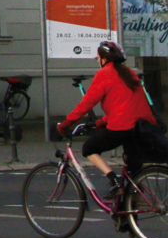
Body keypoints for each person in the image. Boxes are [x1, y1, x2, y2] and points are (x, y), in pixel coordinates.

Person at [57, 40, 156, 198]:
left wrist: (66, 124)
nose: (97, 62)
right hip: (142, 127)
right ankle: (130, 211)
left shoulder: (104, 74)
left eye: (97, 59)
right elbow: (126, 106)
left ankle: (114, 180)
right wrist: (101, 122)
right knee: (132, 172)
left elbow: (86, 104)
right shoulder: (129, 73)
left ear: (104, 59)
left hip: (123, 127)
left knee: (89, 148)